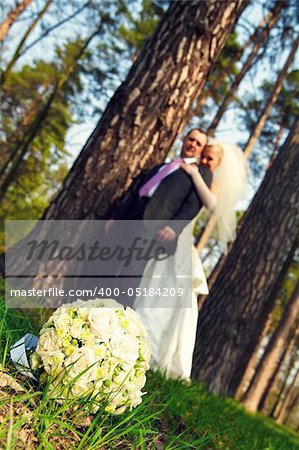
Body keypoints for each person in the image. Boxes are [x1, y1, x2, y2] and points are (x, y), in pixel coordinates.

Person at [133, 141, 248, 380]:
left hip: (181, 239)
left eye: (210, 159)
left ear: (218, 164)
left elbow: (211, 203)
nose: (205, 161)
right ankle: (140, 337)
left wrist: (195, 173)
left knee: (167, 291)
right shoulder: (188, 172)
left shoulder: (206, 179)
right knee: (153, 286)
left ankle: (151, 347)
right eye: (203, 157)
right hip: (169, 237)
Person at [104, 129, 212, 304]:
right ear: (184, 139)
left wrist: (173, 227)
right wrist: (117, 216)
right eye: (191, 139)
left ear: (201, 149)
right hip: (130, 217)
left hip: (153, 227)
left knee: (131, 273)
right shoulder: (162, 166)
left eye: (198, 143)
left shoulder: (199, 173)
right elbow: (136, 192)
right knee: (109, 265)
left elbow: (193, 205)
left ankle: (118, 321)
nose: (193, 144)